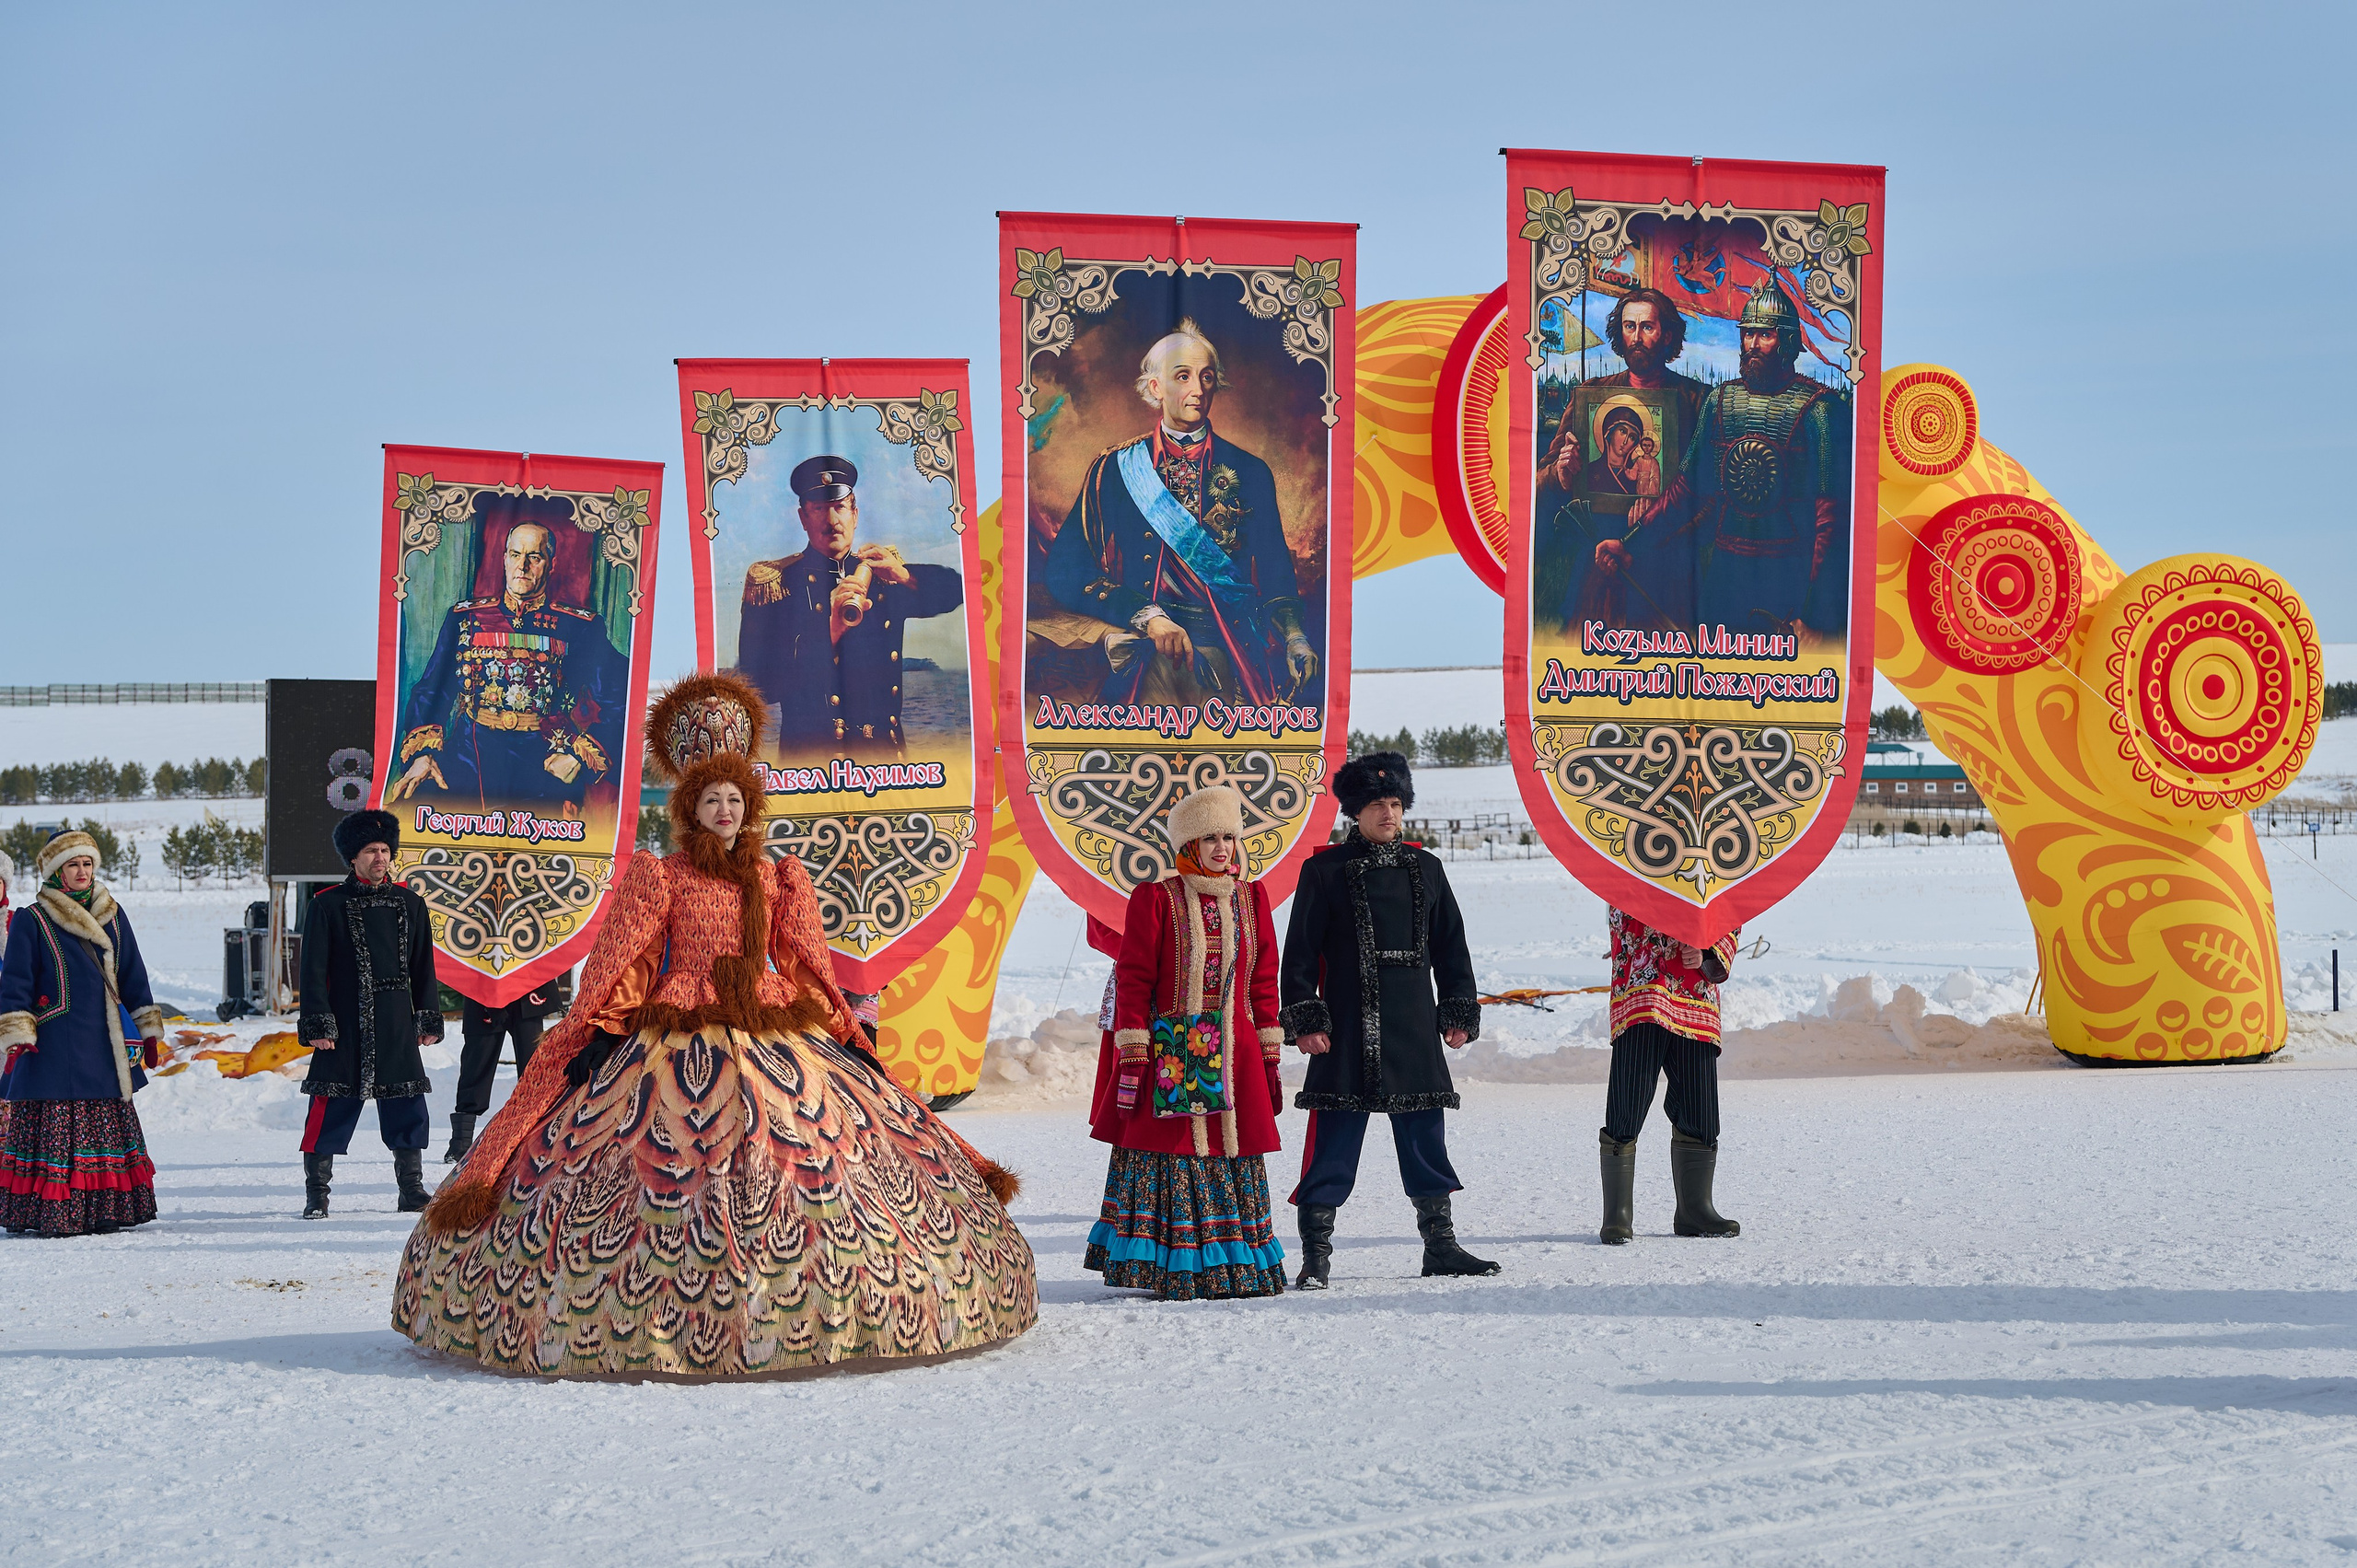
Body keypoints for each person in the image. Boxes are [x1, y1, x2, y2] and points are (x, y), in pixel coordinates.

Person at [397, 671, 1037, 1376]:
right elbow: (628, 958)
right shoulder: (661, 874)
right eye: (711, 800)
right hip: (677, 1024)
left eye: (734, 798)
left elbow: (806, 963)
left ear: (748, 803)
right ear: (690, 807)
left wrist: (844, 1033)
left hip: (774, 1026)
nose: (724, 810)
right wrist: (601, 1029)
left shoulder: (778, 877)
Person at [1279, 751, 1497, 1286]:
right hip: (1344, 1029)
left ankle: (1440, 1247)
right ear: (1356, 811)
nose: (1389, 813)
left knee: (1425, 1138)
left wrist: (1458, 1008)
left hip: (1412, 1027)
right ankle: (1315, 1256)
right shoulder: (1323, 871)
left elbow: (1452, 948)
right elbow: (1299, 954)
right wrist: (1307, 1018)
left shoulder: (1428, 869)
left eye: (1396, 803)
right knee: (1333, 1142)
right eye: (1377, 804)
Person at [1040, 319, 1318, 707]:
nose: (1197, 390)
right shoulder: (1115, 468)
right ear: (1156, 388)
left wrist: (1294, 636)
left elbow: (1275, 573)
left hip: (1230, 655)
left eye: (1206, 377)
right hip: (1145, 652)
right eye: (1183, 376)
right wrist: (1145, 616)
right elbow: (1066, 570)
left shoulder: (1251, 472)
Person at [1083, 784, 1288, 1300]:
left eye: (1228, 837)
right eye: (1209, 838)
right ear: (1188, 845)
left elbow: (1264, 979)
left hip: (1235, 1050)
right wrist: (1135, 1047)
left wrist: (1268, 1048)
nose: (1222, 848)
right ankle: (1173, 1265)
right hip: (1175, 1047)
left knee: (1231, 1147)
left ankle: (1235, 1263)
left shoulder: (1252, 898)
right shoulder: (1156, 898)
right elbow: (1133, 978)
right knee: (1175, 1150)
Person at [1616, 273, 1852, 637]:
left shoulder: (1820, 409)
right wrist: (1631, 543)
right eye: (1748, 334)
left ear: (1787, 341)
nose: (1753, 344)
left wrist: (1815, 614)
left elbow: (1830, 522)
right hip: (1727, 572)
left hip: (1789, 572)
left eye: (1765, 335)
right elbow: (1686, 491)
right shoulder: (1721, 400)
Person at [386, 519, 631, 811]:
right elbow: (431, 691)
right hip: (469, 755)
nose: (522, 566)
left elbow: (624, 696)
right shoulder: (465, 618)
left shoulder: (579, 627)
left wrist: (578, 757)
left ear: (551, 565)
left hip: (545, 763)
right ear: (504, 559)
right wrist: (423, 755)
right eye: (515, 554)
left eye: (534, 557)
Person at [736, 455, 965, 757]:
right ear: (803, 518)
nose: (832, 521)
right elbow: (757, 686)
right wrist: (826, 631)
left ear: (855, 515)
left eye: (840, 507)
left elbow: (958, 591)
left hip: (885, 761)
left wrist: (904, 575)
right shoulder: (776, 584)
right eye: (819, 509)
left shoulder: (882, 574)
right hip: (813, 766)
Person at [0, 831, 167, 1237]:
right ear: (56, 871)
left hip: (104, 1042)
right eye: (73, 864)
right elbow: (16, 982)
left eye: (87, 863)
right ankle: (57, 1213)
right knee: (59, 1125)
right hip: (53, 1043)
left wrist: (147, 1030)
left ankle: (106, 1210)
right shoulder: (32, 919)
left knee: (103, 1124)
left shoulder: (113, 914)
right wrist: (17, 1033)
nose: (82, 872)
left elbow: (133, 975)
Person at [296, 809, 445, 1219]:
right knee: (329, 1104)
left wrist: (427, 1018)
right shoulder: (326, 905)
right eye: (370, 851)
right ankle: (317, 1195)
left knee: (407, 1103)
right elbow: (312, 971)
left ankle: (411, 1189)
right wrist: (318, 1022)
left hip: (395, 1020)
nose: (380, 858)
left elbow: (423, 967)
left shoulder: (411, 903)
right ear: (353, 857)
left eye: (384, 850)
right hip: (343, 1023)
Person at [1537, 288, 1708, 631]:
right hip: (1597, 558)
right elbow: (1540, 481)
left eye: (1648, 327)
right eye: (1629, 327)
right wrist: (1561, 474)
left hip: (1666, 562)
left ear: (1667, 335)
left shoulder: (1695, 400)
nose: (1637, 337)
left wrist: (1653, 529)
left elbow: (1710, 494)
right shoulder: (1591, 394)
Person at [1598, 906, 1742, 1243]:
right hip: (1643, 984)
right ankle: (1617, 1214)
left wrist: (1708, 949)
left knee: (1700, 1106)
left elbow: (1730, 905)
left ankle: (1695, 1209)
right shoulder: (1633, 869)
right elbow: (1617, 897)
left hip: (1696, 992)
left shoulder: (1710, 870)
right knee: (1629, 1096)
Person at [442, 981, 555, 1163]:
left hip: (526, 989)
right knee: (476, 1066)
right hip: (483, 987)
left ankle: (537, 1140)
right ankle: (460, 1143)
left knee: (533, 1072)